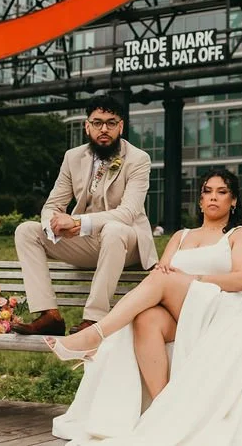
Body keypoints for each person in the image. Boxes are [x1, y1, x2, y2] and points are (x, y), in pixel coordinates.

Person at [45, 169, 242, 445]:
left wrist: (193, 279)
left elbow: (240, 279)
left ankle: (95, 334)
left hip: (220, 308)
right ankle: (166, 406)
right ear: (199, 201)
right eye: (207, 191)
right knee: (147, 318)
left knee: (165, 282)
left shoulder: (238, 235)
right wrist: (175, 281)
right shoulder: (180, 236)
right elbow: (162, 274)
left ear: (233, 201)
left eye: (222, 192)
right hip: (183, 312)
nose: (213, 198)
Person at [12, 95, 158, 336]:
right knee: (26, 231)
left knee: (114, 230)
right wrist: (55, 224)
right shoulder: (73, 157)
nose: (104, 129)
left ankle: (94, 319)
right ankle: (49, 315)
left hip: (127, 243)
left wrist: (78, 222)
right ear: (86, 126)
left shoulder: (138, 159)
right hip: (87, 243)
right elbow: (53, 205)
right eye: (97, 122)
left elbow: (128, 213)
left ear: (121, 126)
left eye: (111, 123)